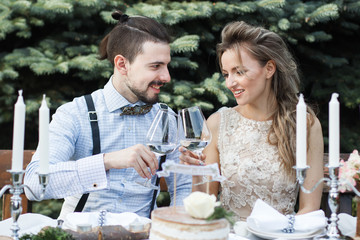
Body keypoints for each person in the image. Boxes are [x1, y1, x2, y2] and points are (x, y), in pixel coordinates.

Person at [24, 11, 192, 220]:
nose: (166, 76)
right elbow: (34, 184)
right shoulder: (74, 114)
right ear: (122, 64)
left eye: (166, 65)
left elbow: (183, 186)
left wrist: (172, 225)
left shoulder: (167, 119)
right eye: (155, 66)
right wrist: (106, 161)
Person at [179, 21, 324, 221]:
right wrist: (196, 172)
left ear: (269, 69)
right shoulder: (217, 124)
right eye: (226, 74)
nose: (230, 83)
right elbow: (205, 205)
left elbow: (310, 209)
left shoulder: (305, 125)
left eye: (239, 72)